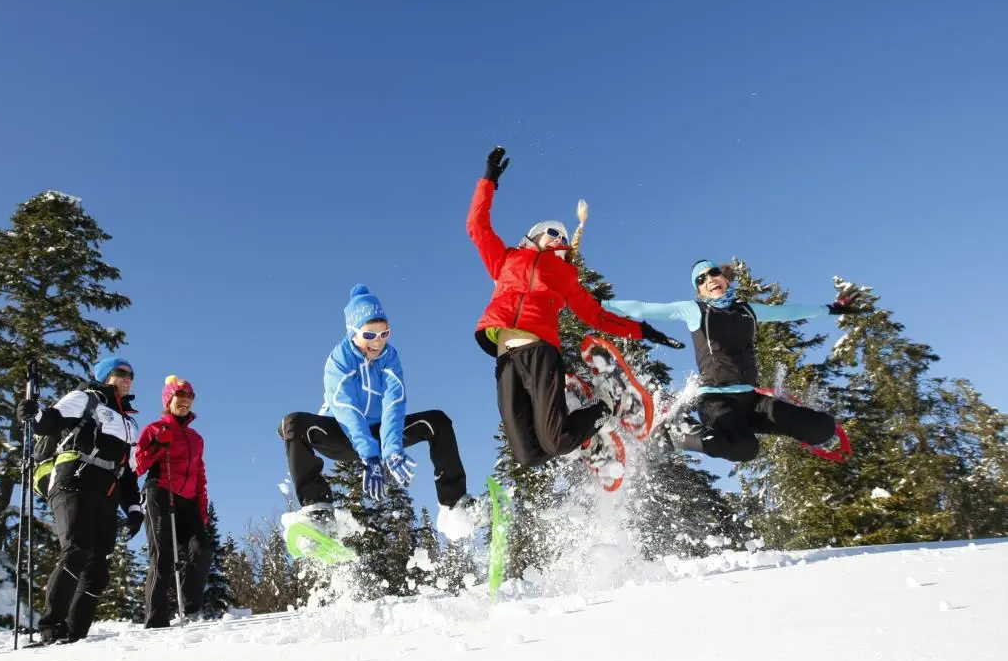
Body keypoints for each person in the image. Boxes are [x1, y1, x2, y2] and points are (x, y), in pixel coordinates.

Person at [467, 146, 684, 469]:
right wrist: (488, 180)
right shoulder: (507, 259)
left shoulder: (564, 275)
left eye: (563, 237)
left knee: (557, 441)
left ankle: (605, 406)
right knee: (529, 456)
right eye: (552, 232)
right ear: (533, 236)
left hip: (539, 352)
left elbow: (595, 315)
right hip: (505, 360)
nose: (559, 238)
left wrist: (643, 330)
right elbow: (477, 226)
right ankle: (583, 429)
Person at [603, 259, 865, 462]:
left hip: (751, 401)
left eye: (713, 273)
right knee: (745, 448)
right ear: (700, 290)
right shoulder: (695, 310)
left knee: (821, 427)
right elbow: (643, 307)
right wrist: (597, 303)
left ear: (724, 278)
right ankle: (676, 433)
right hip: (715, 401)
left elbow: (787, 312)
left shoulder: (747, 310)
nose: (709, 279)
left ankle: (787, 426)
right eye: (701, 279)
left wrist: (831, 309)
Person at [278, 284, 481, 536]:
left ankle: (455, 505)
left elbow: (394, 405)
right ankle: (318, 510)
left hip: (380, 433)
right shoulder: (338, 361)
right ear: (353, 332)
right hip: (342, 433)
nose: (378, 343)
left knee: (437, 421)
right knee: (293, 423)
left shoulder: (390, 358)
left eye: (384, 334)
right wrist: (370, 455)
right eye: (370, 335)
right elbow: (347, 410)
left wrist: (392, 449)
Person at [17, 356, 144, 644]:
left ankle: (74, 636)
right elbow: (48, 422)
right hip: (73, 481)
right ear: (103, 376)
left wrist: (134, 508)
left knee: (98, 569)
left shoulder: (129, 423)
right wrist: (33, 413)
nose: (127, 378)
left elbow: (128, 472)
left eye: (131, 375)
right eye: (120, 373)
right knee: (75, 550)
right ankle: (50, 628)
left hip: (108, 493)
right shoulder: (83, 398)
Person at [134, 375, 212, 628]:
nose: (186, 401)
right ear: (169, 399)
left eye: (190, 396)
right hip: (160, 492)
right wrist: (157, 446)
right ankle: (156, 619)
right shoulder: (154, 429)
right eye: (180, 395)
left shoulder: (196, 438)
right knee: (163, 555)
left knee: (200, 549)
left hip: (187, 500)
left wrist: (201, 511)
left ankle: (190, 610)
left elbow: (200, 476)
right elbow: (137, 466)